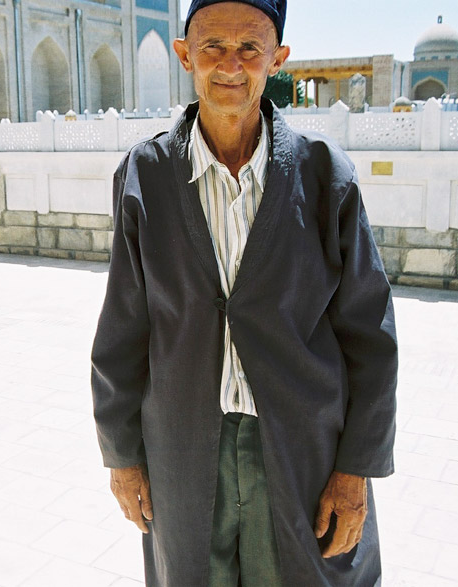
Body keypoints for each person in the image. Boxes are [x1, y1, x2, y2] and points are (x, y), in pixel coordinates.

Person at [90, 1, 398, 585]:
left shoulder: (324, 175)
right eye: (213, 47)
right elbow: (124, 327)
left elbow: (370, 333)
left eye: (250, 49)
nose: (231, 65)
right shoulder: (146, 174)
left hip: (301, 449)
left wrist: (356, 468)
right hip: (182, 447)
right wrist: (122, 456)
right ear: (184, 55)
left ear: (277, 59)